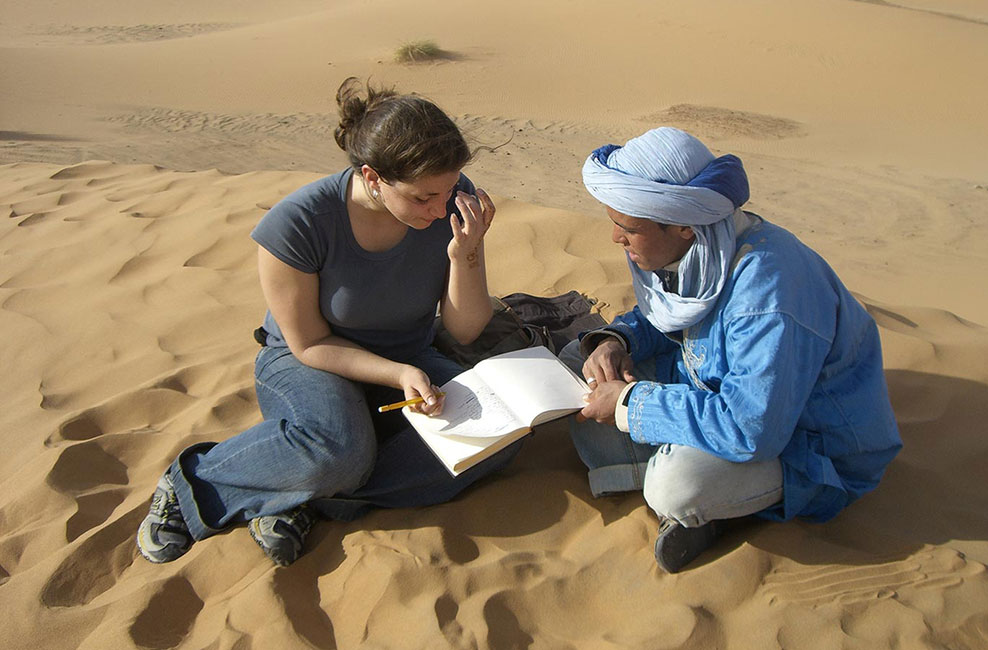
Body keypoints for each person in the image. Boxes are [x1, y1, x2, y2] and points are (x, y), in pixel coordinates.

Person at [137, 78, 521, 566]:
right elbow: (309, 343)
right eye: (424, 197)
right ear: (373, 177)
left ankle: (305, 498)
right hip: (310, 363)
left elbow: (464, 329)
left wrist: (466, 255)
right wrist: (398, 374)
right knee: (339, 449)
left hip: (409, 354)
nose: (441, 207)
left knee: (501, 435)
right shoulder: (298, 223)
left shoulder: (450, 200)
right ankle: (194, 483)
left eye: (449, 190)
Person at [560, 127, 902, 573]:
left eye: (627, 228)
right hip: (711, 393)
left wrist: (629, 404)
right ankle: (688, 476)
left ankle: (712, 504)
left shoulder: (767, 299)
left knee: (676, 488)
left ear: (682, 225)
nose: (615, 239)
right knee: (577, 363)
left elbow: (752, 427)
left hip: (804, 444)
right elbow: (671, 313)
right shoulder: (701, 247)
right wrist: (615, 341)